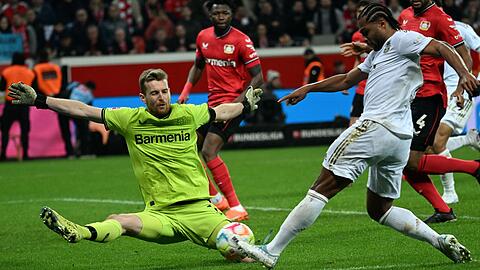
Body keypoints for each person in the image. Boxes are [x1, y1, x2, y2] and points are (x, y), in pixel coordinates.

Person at [234, 3, 476, 268]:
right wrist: (308, 88)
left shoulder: (403, 39)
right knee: (380, 209)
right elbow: (347, 79)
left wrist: (465, 74)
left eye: (366, 30)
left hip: (375, 127)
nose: (363, 37)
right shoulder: (378, 53)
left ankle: (271, 250)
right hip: (399, 139)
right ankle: (439, 240)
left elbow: (442, 47)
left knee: (321, 188)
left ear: (382, 23)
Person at [7, 68, 262, 257]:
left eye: (165, 92)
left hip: (201, 212)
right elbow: (83, 110)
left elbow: (222, 111)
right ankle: (78, 231)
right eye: (154, 93)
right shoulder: (129, 119)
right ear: (143, 97)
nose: (161, 98)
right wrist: (40, 100)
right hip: (161, 216)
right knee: (121, 220)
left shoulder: (189, 113)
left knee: (244, 241)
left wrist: (244, 106)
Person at [177, 0, 264, 221]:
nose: (221, 16)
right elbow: (198, 65)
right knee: (186, 146)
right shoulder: (203, 37)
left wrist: (238, 103)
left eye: (225, 12)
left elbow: (258, 77)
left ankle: (236, 206)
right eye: (217, 13)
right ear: (210, 14)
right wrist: (186, 90)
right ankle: (216, 198)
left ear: (232, 14)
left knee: (208, 151)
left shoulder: (241, 41)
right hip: (212, 105)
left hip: (232, 104)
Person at [398, 0, 480, 223]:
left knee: (416, 157)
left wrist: (462, 86)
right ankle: (444, 210)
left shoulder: (441, 19)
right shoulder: (404, 16)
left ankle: (471, 171)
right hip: (406, 95)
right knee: (406, 163)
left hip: (430, 95)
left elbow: (466, 56)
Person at [432, 20, 480, 204]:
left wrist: (472, 83)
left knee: (438, 142)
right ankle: (469, 139)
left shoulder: (459, 28)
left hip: (459, 91)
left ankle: (450, 193)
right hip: (436, 93)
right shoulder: (422, 28)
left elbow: (475, 51)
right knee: (429, 147)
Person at [32, 49, 74, 157]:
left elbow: (35, 86)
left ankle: (68, 151)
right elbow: (63, 83)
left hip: (45, 98)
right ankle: (71, 151)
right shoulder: (56, 67)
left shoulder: (36, 69)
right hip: (59, 97)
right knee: (66, 126)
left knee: (63, 127)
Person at [0, 52, 35, 161]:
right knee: (25, 131)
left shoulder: (7, 72)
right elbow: (34, 89)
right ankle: (25, 154)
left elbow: (1, 87)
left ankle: (3, 154)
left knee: (5, 130)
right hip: (24, 105)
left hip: (10, 105)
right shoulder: (30, 73)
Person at [67, 80, 96, 156]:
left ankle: (71, 153)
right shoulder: (88, 93)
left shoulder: (76, 86)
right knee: (84, 133)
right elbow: (90, 107)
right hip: (79, 113)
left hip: (67, 110)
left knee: (74, 133)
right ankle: (84, 153)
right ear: (91, 88)